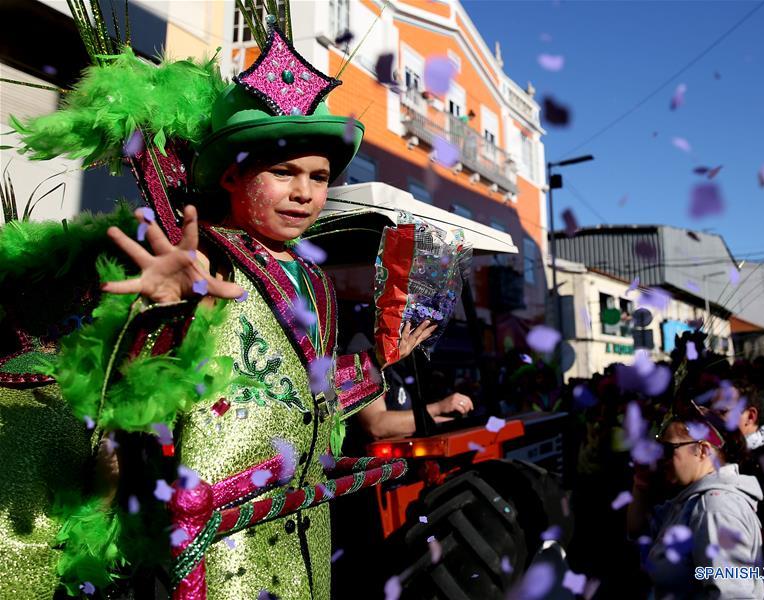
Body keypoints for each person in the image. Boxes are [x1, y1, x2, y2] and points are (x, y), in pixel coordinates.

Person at [3, 17, 439, 598]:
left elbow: (307, 395)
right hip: (216, 558)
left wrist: (376, 370)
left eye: (319, 176)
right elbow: (120, 404)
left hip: (301, 541)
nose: (305, 192)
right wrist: (159, 311)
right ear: (231, 176)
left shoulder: (318, 285)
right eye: (282, 171)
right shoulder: (201, 258)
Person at [627, 404, 764, 599]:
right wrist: (641, 485)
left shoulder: (715, 508)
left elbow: (732, 595)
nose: (660, 458)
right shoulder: (690, 500)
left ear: (702, 451)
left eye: (668, 449)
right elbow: (638, 531)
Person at [356, 354, 474, 439]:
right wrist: (439, 407)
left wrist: (447, 424)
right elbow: (376, 425)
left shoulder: (403, 364)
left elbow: (408, 419)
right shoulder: (364, 359)